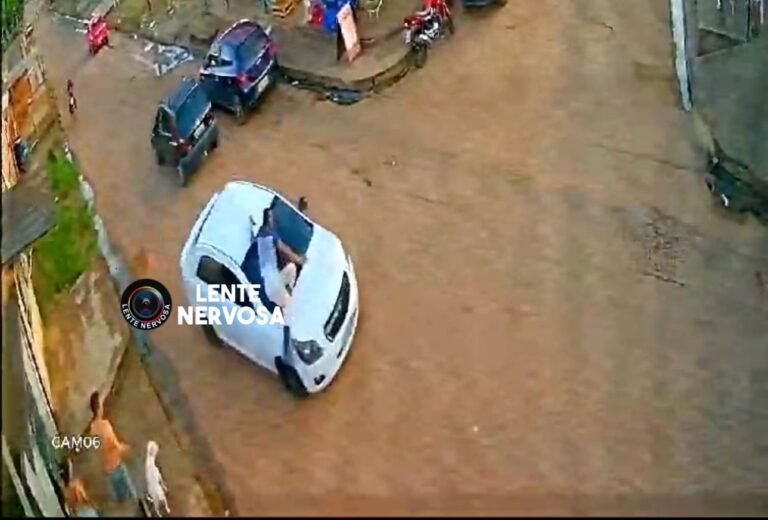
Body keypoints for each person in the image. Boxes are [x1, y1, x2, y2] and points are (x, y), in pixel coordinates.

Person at [252, 207, 306, 309]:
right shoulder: (270, 236)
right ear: (268, 220)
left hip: (274, 277)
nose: (275, 219)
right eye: (272, 217)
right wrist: (301, 260)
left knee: (291, 268)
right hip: (272, 286)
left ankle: (288, 292)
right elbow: (286, 251)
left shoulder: (261, 235)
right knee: (291, 306)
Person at [88, 391, 136, 503]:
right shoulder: (105, 426)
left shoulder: (92, 429)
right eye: (101, 404)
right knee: (131, 497)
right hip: (116, 465)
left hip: (107, 470)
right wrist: (125, 448)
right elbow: (113, 446)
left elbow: (100, 450)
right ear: (99, 408)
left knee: (121, 499)